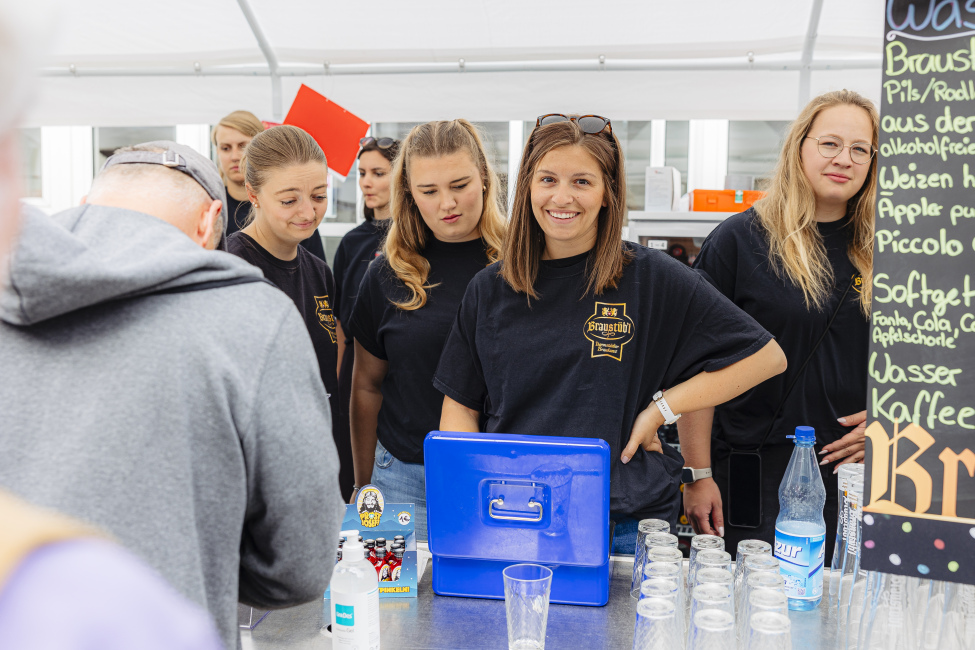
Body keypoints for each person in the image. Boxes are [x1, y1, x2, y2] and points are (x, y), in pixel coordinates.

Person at [0, 139, 344, 650]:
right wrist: (200, 566)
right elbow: (302, 561)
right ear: (210, 223)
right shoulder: (251, 315)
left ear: (88, 207)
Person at [434, 114, 787, 554]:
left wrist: (661, 409)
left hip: (622, 524)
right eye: (548, 179)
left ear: (608, 194)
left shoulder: (651, 278)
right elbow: (461, 405)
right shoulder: (490, 288)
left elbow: (766, 357)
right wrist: (472, 495)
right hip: (515, 517)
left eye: (582, 182)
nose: (562, 197)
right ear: (527, 188)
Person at [681, 90, 877, 559]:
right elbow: (693, 367)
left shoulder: (891, 248)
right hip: (753, 471)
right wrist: (697, 474)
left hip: (856, 475)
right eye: (830, 143)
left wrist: (890, 423)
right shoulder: (739, 241)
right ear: (799, 146)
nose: (844, 159)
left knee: (846, 598)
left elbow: (929, 362)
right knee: (754, 596)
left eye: (860, 149)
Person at [345, 120, 506, 540]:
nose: (447, 203)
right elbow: (366, 386)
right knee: (393, 588)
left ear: (484, 177)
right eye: (429, 191)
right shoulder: (387, 273)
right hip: (403, 478)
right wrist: (363, 485)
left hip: (505, 479)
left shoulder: (523, 265)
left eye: (460, 185)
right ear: (409, 194)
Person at [225, 124, 353, 500]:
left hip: (317, 465)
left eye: (318, 196)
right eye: (289, 201)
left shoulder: (319, 272)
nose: (308, 212)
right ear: (253, 195)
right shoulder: (229, 269)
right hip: (257, 479)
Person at [331, 136, 399, 478]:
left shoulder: (412, 241)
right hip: (354, 371)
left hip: (397, 371)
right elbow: (338, 321)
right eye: (361, 173)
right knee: (351, 470)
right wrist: (336, 380)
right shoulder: (352, 242)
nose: (366, 182)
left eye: (378, 173)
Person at [212, 110, 326, 260]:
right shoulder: (211, 209)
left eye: (243, 146)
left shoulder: (303, 218)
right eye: (226, 148)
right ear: (253, 195)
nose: (235, 156)